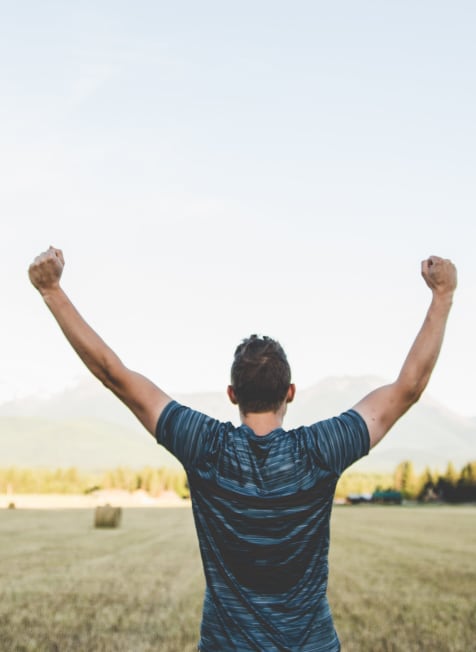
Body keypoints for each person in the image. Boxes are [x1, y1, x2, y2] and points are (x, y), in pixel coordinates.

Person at [28, 247, 457, 652]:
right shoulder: (320, 451)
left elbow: (113, 374)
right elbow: (409, 388)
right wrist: (442, 295)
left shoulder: (205, 447)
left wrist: (52, 291)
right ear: (290, 391)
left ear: (232, 393)